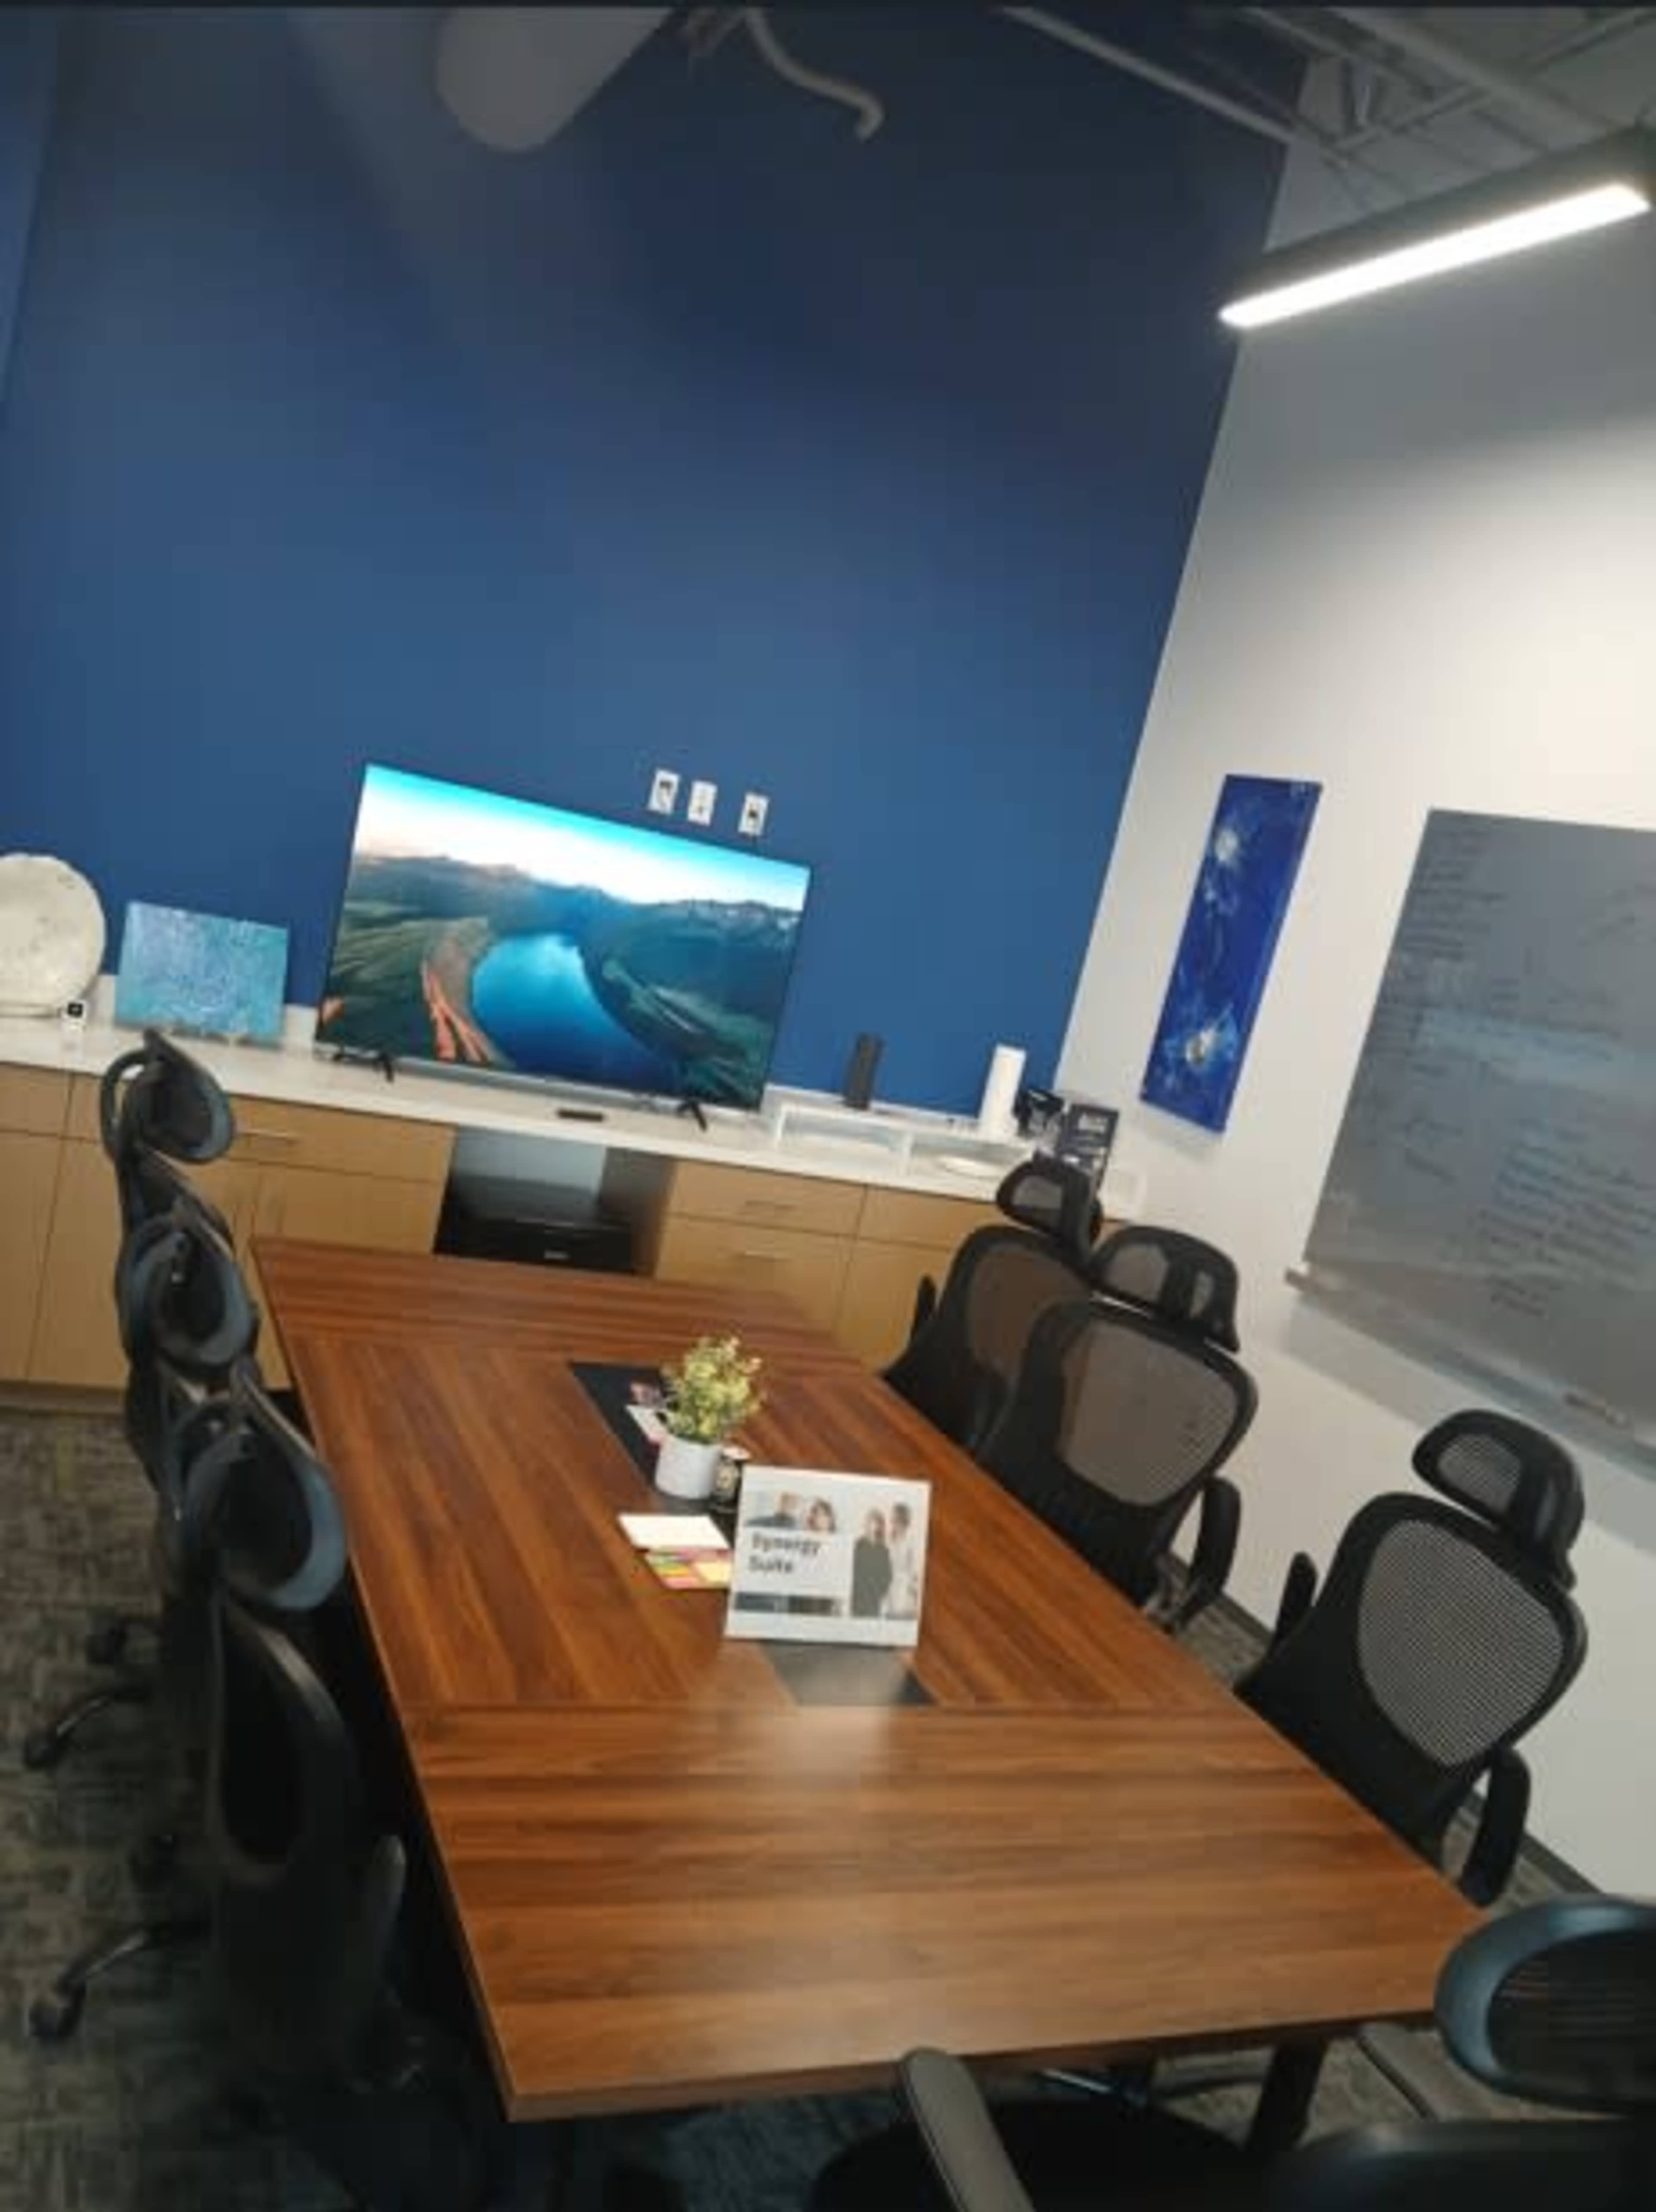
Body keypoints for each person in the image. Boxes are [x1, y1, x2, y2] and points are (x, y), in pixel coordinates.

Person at [851, 1508, 892, 1619]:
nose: (874, 1527)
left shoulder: (884, 1550)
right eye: (872, 1523)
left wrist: (879, 1593)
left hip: (874, 1599)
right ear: (866, 1525)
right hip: (857, 1598)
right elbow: (851, 1571)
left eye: (878, 1524)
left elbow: (887, 1576)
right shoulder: (857, 1546)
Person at [884, 1499, 921, 1619]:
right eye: (893, 1520)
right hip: (890, 1589)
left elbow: (914, 1570)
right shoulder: (887, 1541)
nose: (894, 1524)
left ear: (905, 1522)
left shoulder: (912, 1542)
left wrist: (913, 1589)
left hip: (906, 1590)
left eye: (897, 1521)